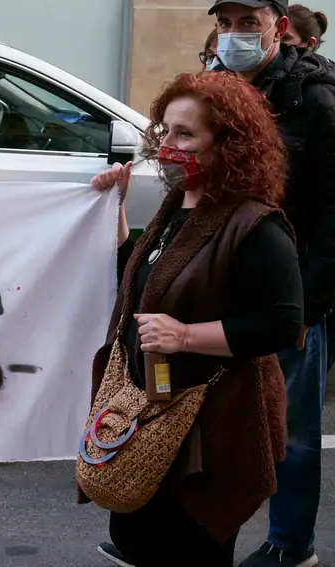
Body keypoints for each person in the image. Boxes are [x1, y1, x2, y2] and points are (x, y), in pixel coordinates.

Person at [88, 70, 301, 567]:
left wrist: (185, 336)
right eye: (163, 130)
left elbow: (283, 323)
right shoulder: (176, 203)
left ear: (230, 144)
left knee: (188, 547)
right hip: (157, 412)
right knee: (137, 535)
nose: (167, 146)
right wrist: (114, 212)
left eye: (186, 134)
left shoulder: (255, 224)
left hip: (215, 425)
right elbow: (146, 287)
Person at [209, 2, 335, 566]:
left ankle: (290, 544)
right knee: (208, 416)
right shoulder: (213, 89)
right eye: (225, 22)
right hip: (220, 281)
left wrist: (310, 303)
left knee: (293, 428)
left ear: (279, 28)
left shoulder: (317, 99)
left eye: (247, 23)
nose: (233, 35)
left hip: (291, 291)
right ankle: (201, 533)